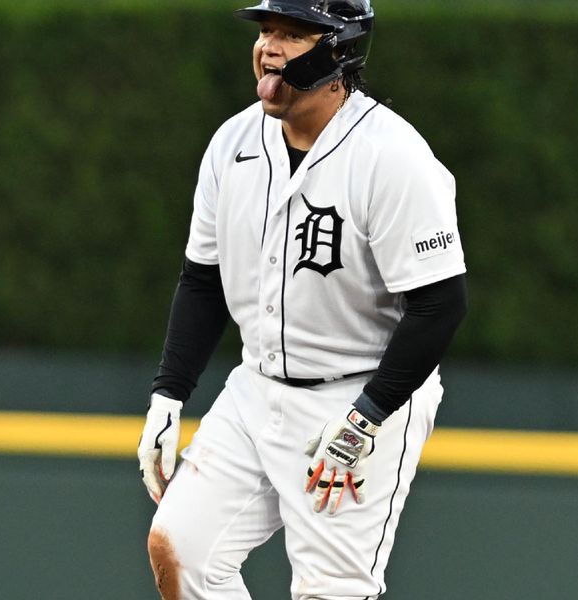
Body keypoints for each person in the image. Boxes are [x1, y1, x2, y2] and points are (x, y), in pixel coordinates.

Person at [137, 1, 468, 598]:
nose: (269, 46)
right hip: (256, 388)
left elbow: (439, 305)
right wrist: (169, 393)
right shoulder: (232, 143)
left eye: (293, 33)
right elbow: (202, 280)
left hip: (360, 395)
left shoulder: (392, 157)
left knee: (329, 592)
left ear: (340, 48)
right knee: (180, 549)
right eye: (266, 30)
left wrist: (365, 419)